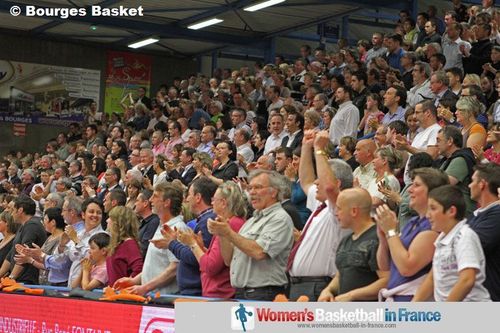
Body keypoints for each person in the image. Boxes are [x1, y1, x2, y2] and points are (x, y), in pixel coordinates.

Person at [208, 170, 294, 301]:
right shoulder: (251, 221)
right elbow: (228, 260)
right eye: (250, 188)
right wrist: (222, 234)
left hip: (264, 293)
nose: (252, 192)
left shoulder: (280, 219)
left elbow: (259, 252)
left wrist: (228, 233)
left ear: (274, 192)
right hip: (243, 293)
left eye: (258, 187)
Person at [289, 130, 353, 301]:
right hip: (300, 285)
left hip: (319, 287)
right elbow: (306, 181)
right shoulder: (321, 205)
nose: (316, 182)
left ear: (337, 182)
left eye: (321, 178)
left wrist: (319, 150)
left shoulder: (340, 206)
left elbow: (330, 187)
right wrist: (306, 146)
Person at [375, 168, 449, 301]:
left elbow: (407, 268)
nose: (409, 190)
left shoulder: (433, 229)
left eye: (417, 185)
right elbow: (384, 266)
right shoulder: (413, 222)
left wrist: (391, 231)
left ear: (432, 192)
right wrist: (384, 236)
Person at [413, 185, 491, 301]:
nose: (428, 215)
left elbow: (467, 279)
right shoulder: (442, 238)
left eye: (433, 208)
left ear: (451, 211)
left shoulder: (464, 236)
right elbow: (432, 278)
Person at [114, 183, 187, 295]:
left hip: (164, 299)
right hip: (153, 296)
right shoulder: (161, 226)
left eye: (155, 196)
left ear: (167, 202)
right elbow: (155, 265)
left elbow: (175, 268)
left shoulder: (178, 228)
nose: (151, 200)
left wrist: (145, 288)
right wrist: (134, 281)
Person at [177, 182, 246, 298]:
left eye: (214, 199)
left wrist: (192, 244)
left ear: (223, 203)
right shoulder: (227, 222)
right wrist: (201, 247)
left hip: (220, 295)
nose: (212, 202)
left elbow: (211, 266)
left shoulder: (231, 224)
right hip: (217, 294)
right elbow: (216, 257)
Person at [318, 188, 389, 301]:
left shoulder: (378, 238)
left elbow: (387, 280)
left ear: (354, 211)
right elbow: (341, 273)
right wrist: (328, 290)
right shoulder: (345, 240)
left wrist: (351, 295)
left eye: (339, 208)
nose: (336, 213)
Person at [467, 164, 500, 300]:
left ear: (482, 184)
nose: (469, 185)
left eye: (473, 181)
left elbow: (468, 247)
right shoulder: (477, 215)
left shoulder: (497, 214)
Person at [0, 196, 47, 284]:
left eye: (13, 210)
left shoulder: (32, 225)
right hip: (19, 279)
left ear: (20, 210)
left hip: (27, 280)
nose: (11, 214)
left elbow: (24, 254)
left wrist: (11, 278)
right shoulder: (24, 225)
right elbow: (10, 255)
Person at [105, 206, 143, 287]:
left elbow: (138, 269)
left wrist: (125, 286)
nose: (107, 220)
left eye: (110, 218)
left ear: (117, 222)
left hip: (123, 296)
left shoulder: (129, 244)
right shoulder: (117, 244)